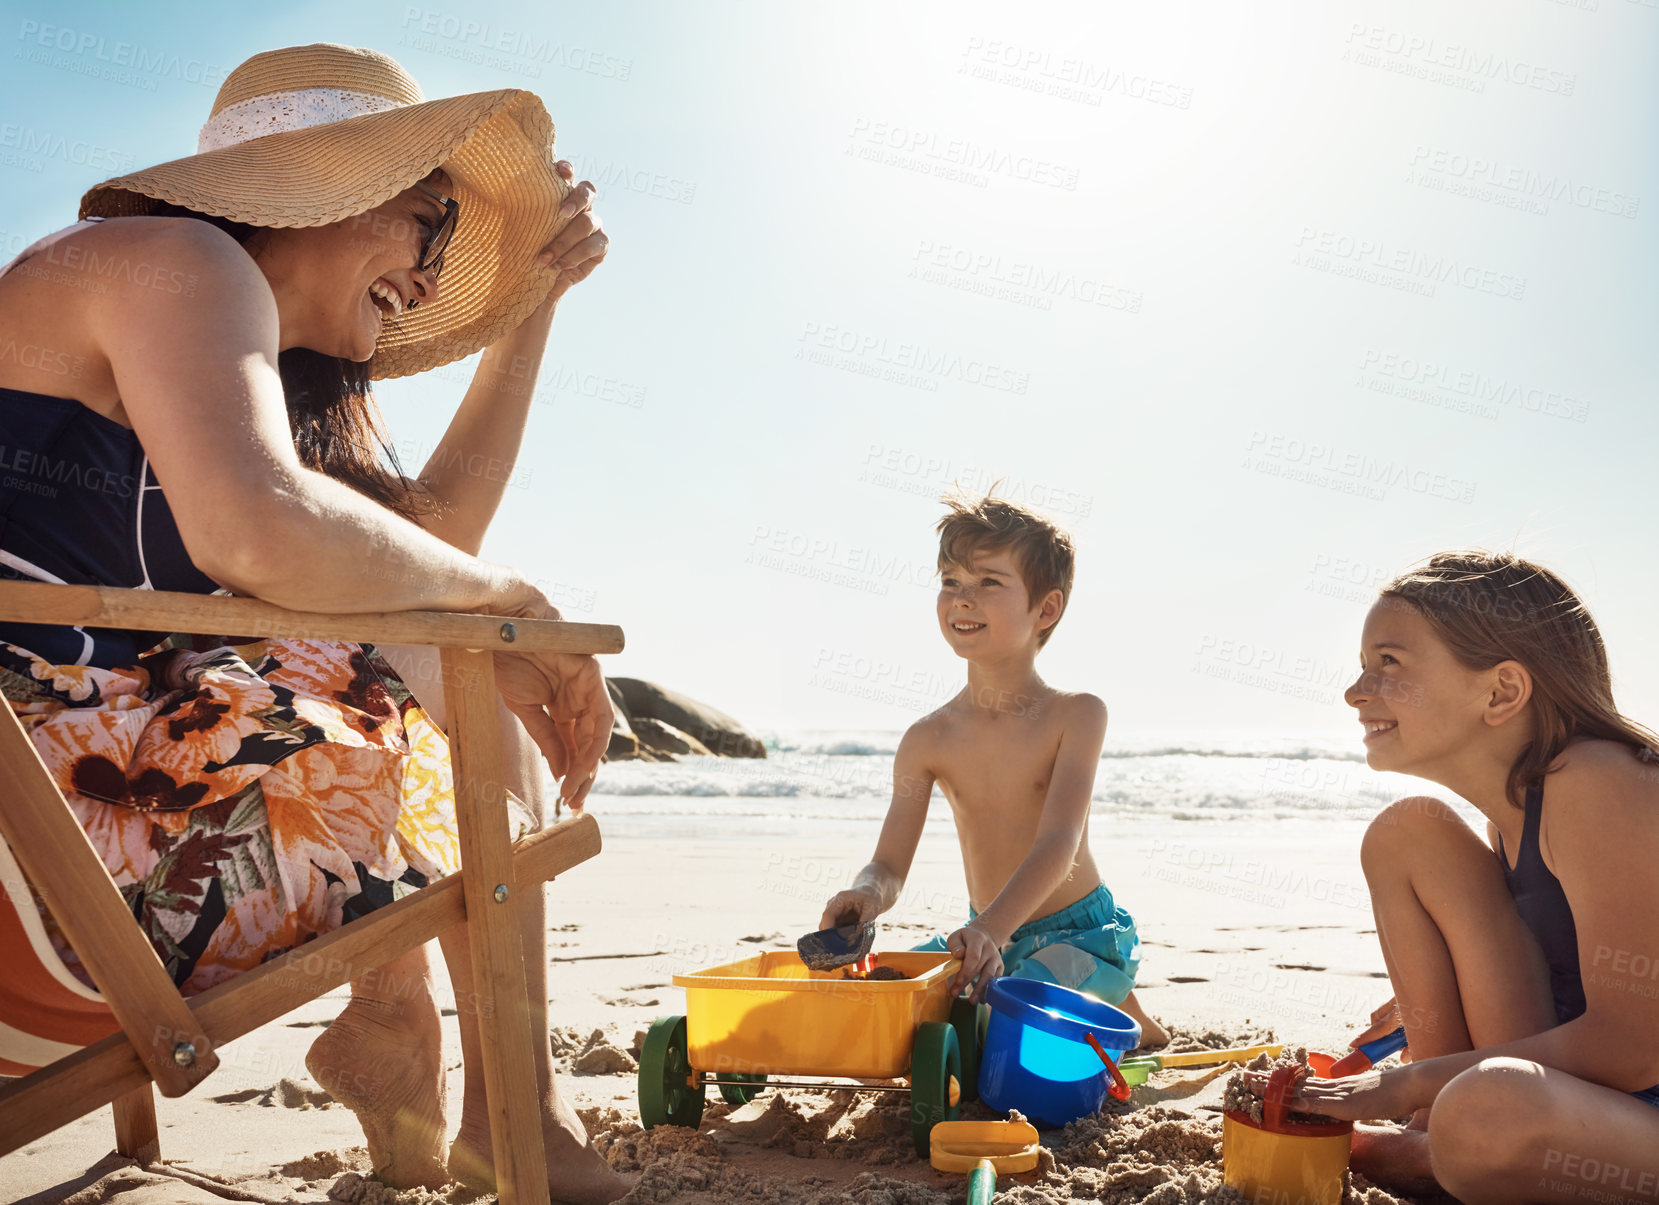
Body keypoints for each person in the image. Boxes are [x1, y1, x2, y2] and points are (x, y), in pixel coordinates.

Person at [0, 43, 628, 1203]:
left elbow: (426, 541)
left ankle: (410, 1035)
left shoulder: (182, 322)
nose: (433, 281)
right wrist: (511, 613)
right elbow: (264, 529)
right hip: (53, 873)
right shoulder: (178, 257)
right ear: (323, 186)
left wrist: (527, 314)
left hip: (61, 846)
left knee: (428, 631)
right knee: (452, 649)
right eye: (430, 225)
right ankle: (501, 1103)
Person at [1247, 552, 1659, 1202]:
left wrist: (1403, 1079)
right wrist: (1422, 1029)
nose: (1355, 691)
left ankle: (1436, 1135)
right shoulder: (1512, 815)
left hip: (1634, 1108)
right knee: (1407, 832)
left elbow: (1634, 1044)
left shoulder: (1596, 781)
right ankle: (1428, 1132)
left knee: (1487, 1110)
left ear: (1499, 692)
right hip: (1594, 1105)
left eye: (1389, 663)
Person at [819, 494, 1166, 1044]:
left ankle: (1125, 1014)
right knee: (882, 1004)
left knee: (992, 1033)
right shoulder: (926, 738)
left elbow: (1059, 844)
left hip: (1074, 931)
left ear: (1045, 610)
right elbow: (888, 862)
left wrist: (988, 929)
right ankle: (1116, 1009)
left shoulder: (1074, 714)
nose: (963, 599)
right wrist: (866, 893)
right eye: (951, 580)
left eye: (988, 583)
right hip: (985, 933)